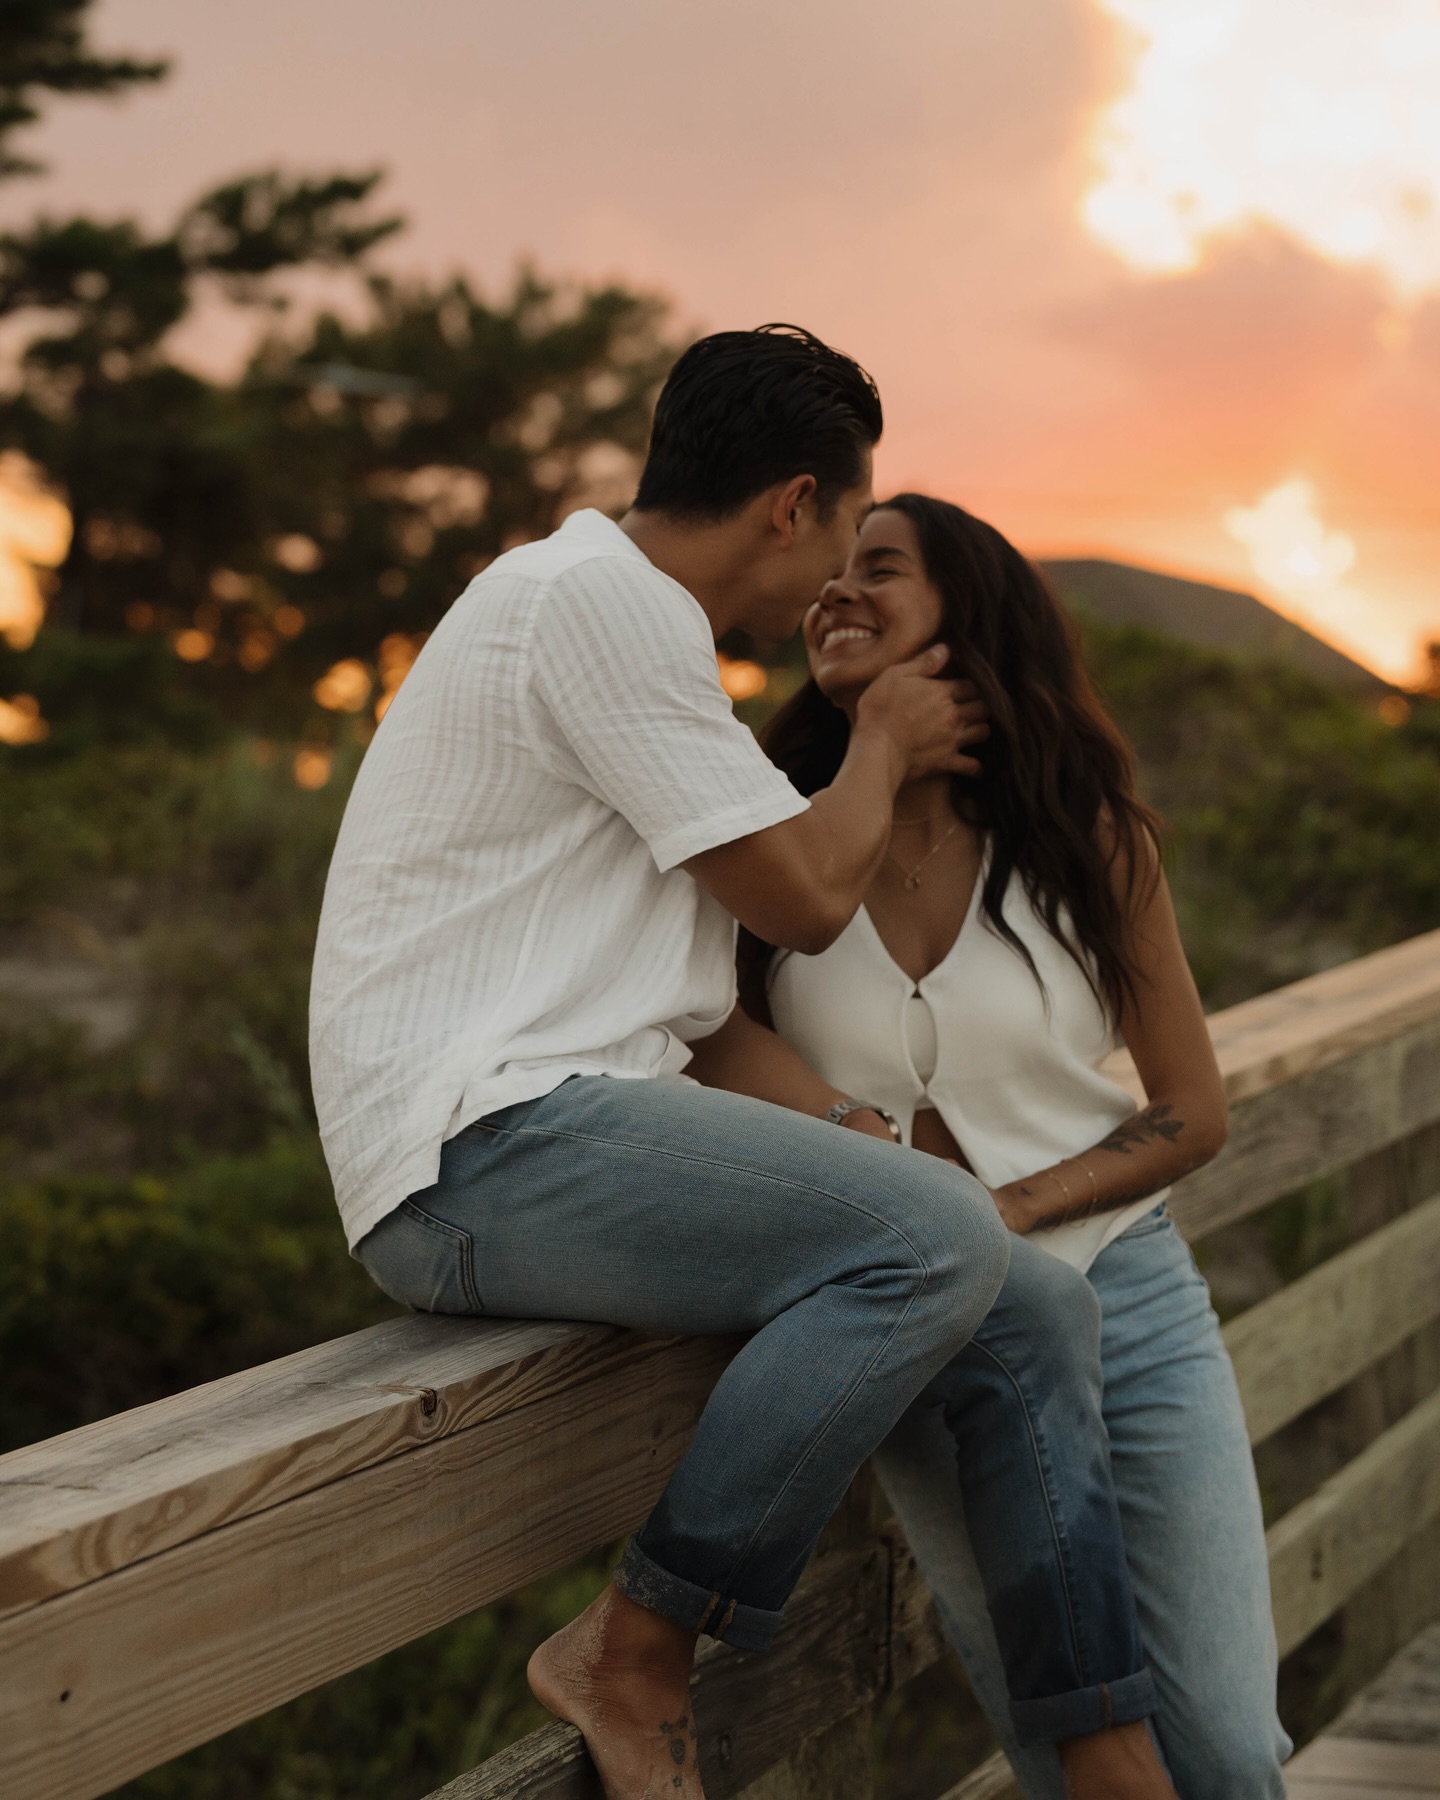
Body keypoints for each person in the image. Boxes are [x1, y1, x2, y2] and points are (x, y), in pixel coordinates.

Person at [311, 327, 1176, 1800]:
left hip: (571, 1137)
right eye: (846, 524)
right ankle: (638, 1644)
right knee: (936, 1243)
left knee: (1026, 1304)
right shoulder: (597, 602)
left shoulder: (644, 658)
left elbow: (702, 1019)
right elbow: (801, 896)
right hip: (468, 1153)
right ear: (792, 503)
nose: (840, 569)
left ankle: (1104, 1755)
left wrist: (855, 1134)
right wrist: (885, 747)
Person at [687, 493, 1292, 1800]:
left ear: (968, 616)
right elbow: (702, 1033)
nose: (834, 593)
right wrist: (867, 1157)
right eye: (827, 576)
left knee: (1231, 1752)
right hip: (934, 1338)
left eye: (879, 571)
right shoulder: (761, 835)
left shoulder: (1085, 839)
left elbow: (1193, 1108)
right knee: (1062, 1748)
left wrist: (1003, 1213)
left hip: (1122, 1294)